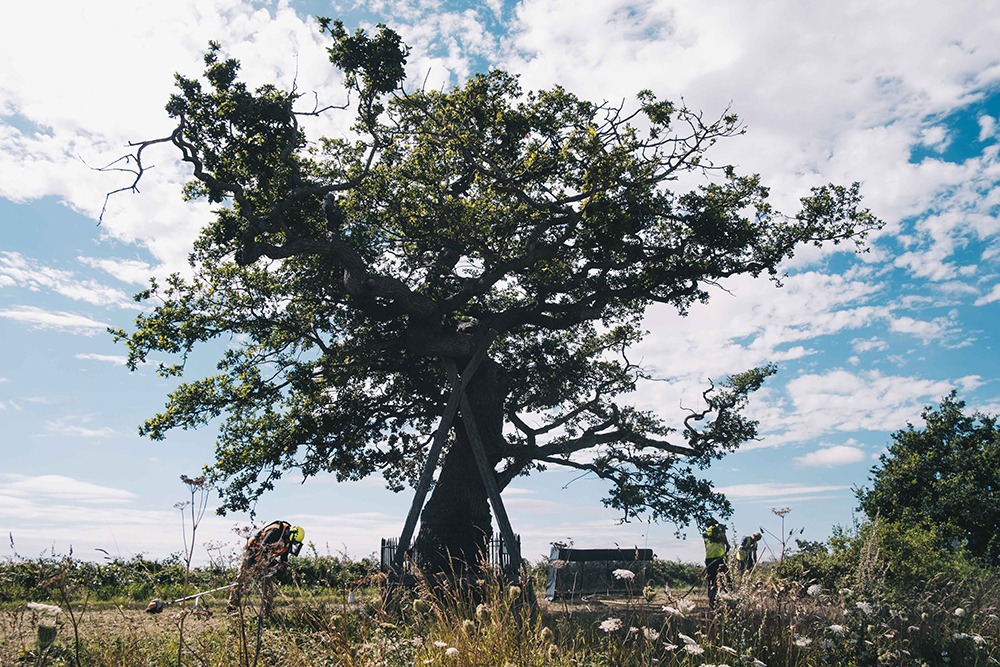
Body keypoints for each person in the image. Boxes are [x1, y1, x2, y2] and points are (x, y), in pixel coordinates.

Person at [227, 520, 305, 616]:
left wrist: (283, 564)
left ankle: (267, 611)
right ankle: (232, 607)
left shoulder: (287, 540)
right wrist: (275, 564)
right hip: (252, 552)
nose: (290, 543)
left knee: (267, 581)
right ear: (290, 534)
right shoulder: (275, 532)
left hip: (266, 558)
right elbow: (263, 548)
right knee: (243, 578)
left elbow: (284, 555)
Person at [702, 518, 729, 610]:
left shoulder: (706, 533)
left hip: (709, 558)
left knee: (711, 581)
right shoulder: (718, 527)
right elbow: (722, 536)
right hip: (719, 557)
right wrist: (728, 545)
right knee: (722, 579)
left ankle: (712, 601)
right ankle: (722, 599)